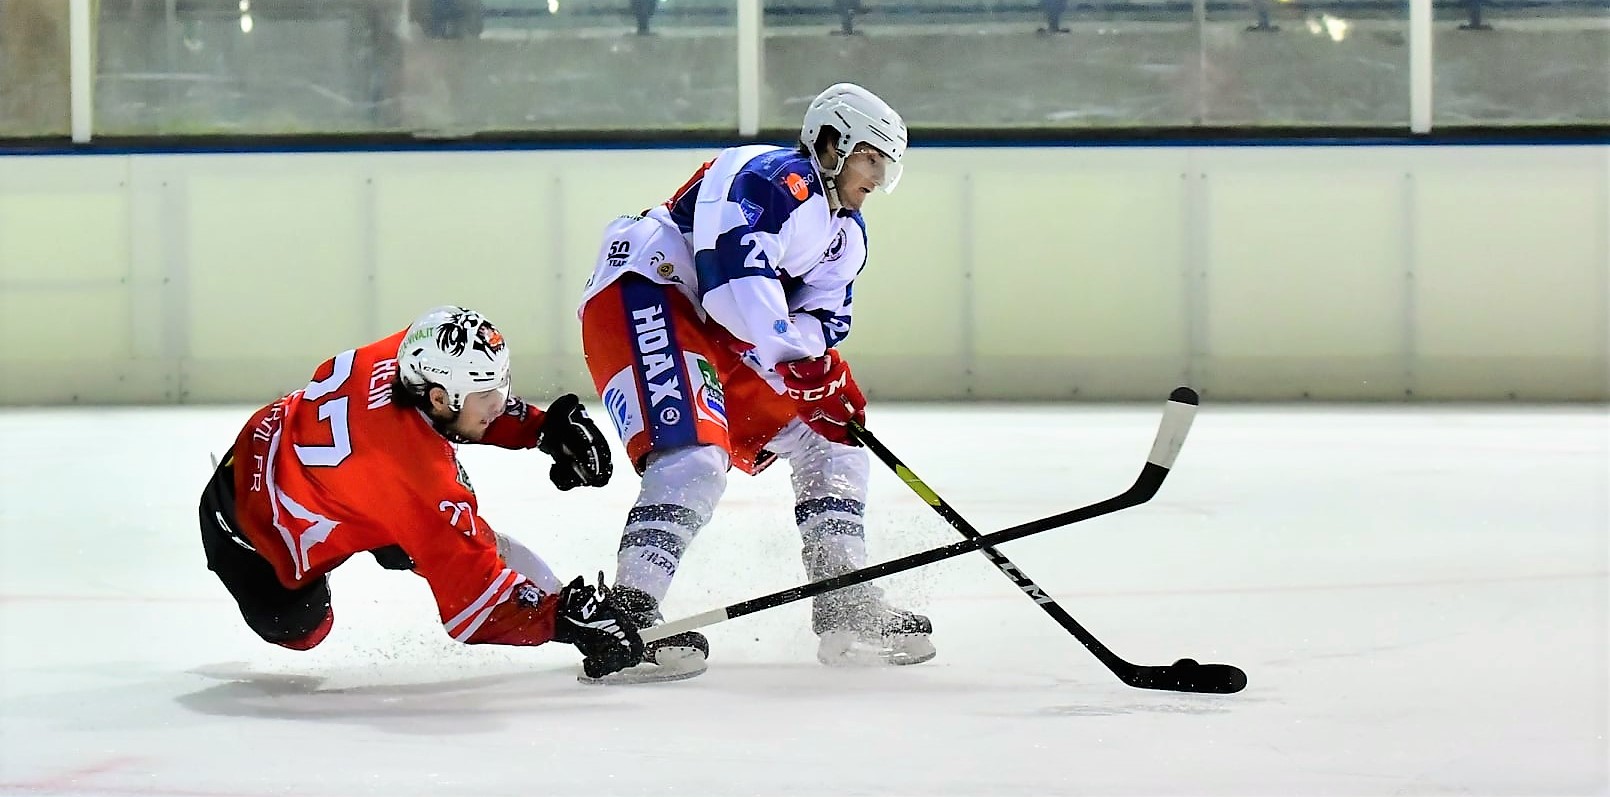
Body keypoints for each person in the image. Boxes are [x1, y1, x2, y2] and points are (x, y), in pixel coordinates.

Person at [576, 83, 934, 683]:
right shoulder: (771, 178)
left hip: (723, 329)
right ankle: (627, 615)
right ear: (832, 142)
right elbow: (732, 283)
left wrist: (816, 375)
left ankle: (843, 599)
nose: (877, 177)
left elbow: (822, 319)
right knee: (695, 456)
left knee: (833, 442)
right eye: (871, 157)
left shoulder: (846, 234)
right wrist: (801, 367)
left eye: (886, 166)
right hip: (649, 290)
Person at [197, 305, 644, 680]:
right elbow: (474, 610)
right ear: (435, 397)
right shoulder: (417, 479)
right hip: (248, 533)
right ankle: (353, 534)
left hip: (296, 454)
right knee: (302, 629)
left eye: (500, 384)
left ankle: (366, 526)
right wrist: (562, 620)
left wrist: (541, 428)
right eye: (486, 392)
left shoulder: (410, 353)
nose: (500, 401)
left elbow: (457, 412)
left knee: (456, 537)